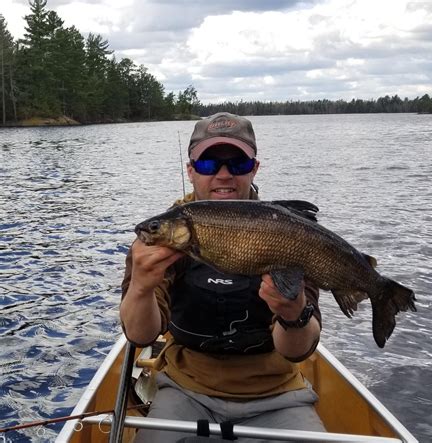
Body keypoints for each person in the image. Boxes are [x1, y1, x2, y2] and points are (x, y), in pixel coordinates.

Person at [120, 112, 325, 442]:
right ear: (190, 171)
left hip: (278, 395)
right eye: (208, 165)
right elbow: (140, 335)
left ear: (254, 168)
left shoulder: (286, 231)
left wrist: (292, 311)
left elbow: (297, 351)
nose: (224, 176)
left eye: (238, 165)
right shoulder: (164, 234)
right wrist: (142, 287)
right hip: (185, 391)